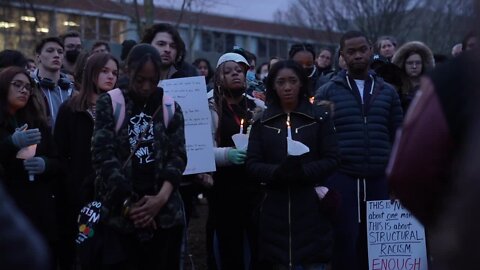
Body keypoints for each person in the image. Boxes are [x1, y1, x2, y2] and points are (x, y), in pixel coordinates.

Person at [91, 44, 187, 269]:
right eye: (140, 80)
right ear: (127, 72)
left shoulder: (170, 107)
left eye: (152, 81)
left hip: (164, 216)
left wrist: (160, 199)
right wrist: (129, 205)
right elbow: (103, 155)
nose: (146, 87)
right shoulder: (111, 102)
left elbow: (178, 156)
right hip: (119, 215)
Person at [315, 30, 403, 270]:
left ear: (371, 50)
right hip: (342, 177)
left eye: (362, 50)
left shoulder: (388, 92)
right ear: (342, 55)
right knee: (344, 242)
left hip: (379, 179)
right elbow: (318, 138)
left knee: (377, 247)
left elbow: (399, 136)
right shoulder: (327, 91)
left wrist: (397, 180)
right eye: (351, 52)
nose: (357, 56)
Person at [246, 60, 340, 269]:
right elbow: (252, 163)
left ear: (301, 84)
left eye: (292, 81)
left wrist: (303, 172)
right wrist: (277, 172)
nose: (287, 87)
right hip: (273, 210)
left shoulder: (319, 118)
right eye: (280, 82)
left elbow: (332, 158)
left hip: (311, 210)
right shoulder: (263, 122)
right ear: (273, 86)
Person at [0, 66, 62, 269]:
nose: (24, 90)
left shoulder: (36, 121)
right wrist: (11, 142)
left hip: (39, 207)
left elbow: (58, 160)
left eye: (27, 87)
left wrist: (45, 164)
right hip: (9, 208)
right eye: (17, 85)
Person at [208, 51, 264, 269]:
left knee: (258, 245)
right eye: (228, 72)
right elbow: (202, 150)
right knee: (229, 247)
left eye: (239, 71)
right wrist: (227, 155)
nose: (235, 75)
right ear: (219, 78)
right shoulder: (210, 107)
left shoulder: (258, 108)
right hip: (223, 188)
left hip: (254, 189)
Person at [32, 36, 75, 130]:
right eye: (50, 51)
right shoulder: (29, 86)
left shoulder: (73, 89)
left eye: (60, 52)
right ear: (38, 57)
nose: (56, 55)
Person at [392, 41, 435, 112]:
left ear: (423, 64)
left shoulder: (430, 86)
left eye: (418, 63)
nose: (414, 66)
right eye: (410, 63)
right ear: (403, 65)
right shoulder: (396, 89)